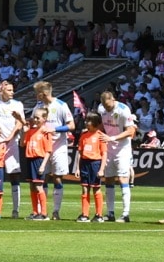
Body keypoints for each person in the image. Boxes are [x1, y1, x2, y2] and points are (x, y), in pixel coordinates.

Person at [0, 80, 26, 217]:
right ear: (2, 91)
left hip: (11, 143)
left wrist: (11, 136)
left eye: (13, 90)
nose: (12, 92)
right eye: (9, 90)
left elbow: (20, 123)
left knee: (14, 175)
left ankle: (15, 210)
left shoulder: (17, 104)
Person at [32, 81, 74, 220]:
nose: (35, 96)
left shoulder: (61, 105)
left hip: (58, 147)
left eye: (37, 92)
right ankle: (41, 211)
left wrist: (54, 129)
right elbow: (34, 123)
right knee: (41, 179)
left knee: (57, 177)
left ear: (43, 93)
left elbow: (71, 125)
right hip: (42, 147)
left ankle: (56, 211)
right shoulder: (38, 106)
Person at [97, 90, 136, 223]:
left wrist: (112, 137)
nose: (107, 108)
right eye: (105, 106)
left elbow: (130, 131)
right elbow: (103, 124)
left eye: (108, 105)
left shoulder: (124, 110)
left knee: (123, 179)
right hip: (109, 148)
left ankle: (125, 214)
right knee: (108, 179)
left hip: (122, 148)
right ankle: (110, 212)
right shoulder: (101, 109)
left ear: (113, 99)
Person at [22, 107, 55, 221]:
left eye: (37, 118)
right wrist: (24, 132)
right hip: (30, 159)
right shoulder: (31, 130)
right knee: (32, 186)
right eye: (34, 117)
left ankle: (44, 213)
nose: (35, 120)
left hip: (39, 160)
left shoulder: (46, 132)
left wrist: (43, 165)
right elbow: (22, 144)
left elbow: (48, 151)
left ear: (44, 118)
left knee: (38, 186)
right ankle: (35, 211)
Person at [74, 114, 107, 222]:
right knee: (84, 188)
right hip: (84, 163)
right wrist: (77, 168)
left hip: (95, 164)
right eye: (86, 120)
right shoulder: (83, 135)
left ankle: (99, 215)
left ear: (95, 123)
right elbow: (79, 152)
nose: (86, 122)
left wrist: (102, 169)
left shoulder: (100, 136)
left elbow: (104, 154)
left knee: (96, 188)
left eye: (89, 121)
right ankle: (85, 214)